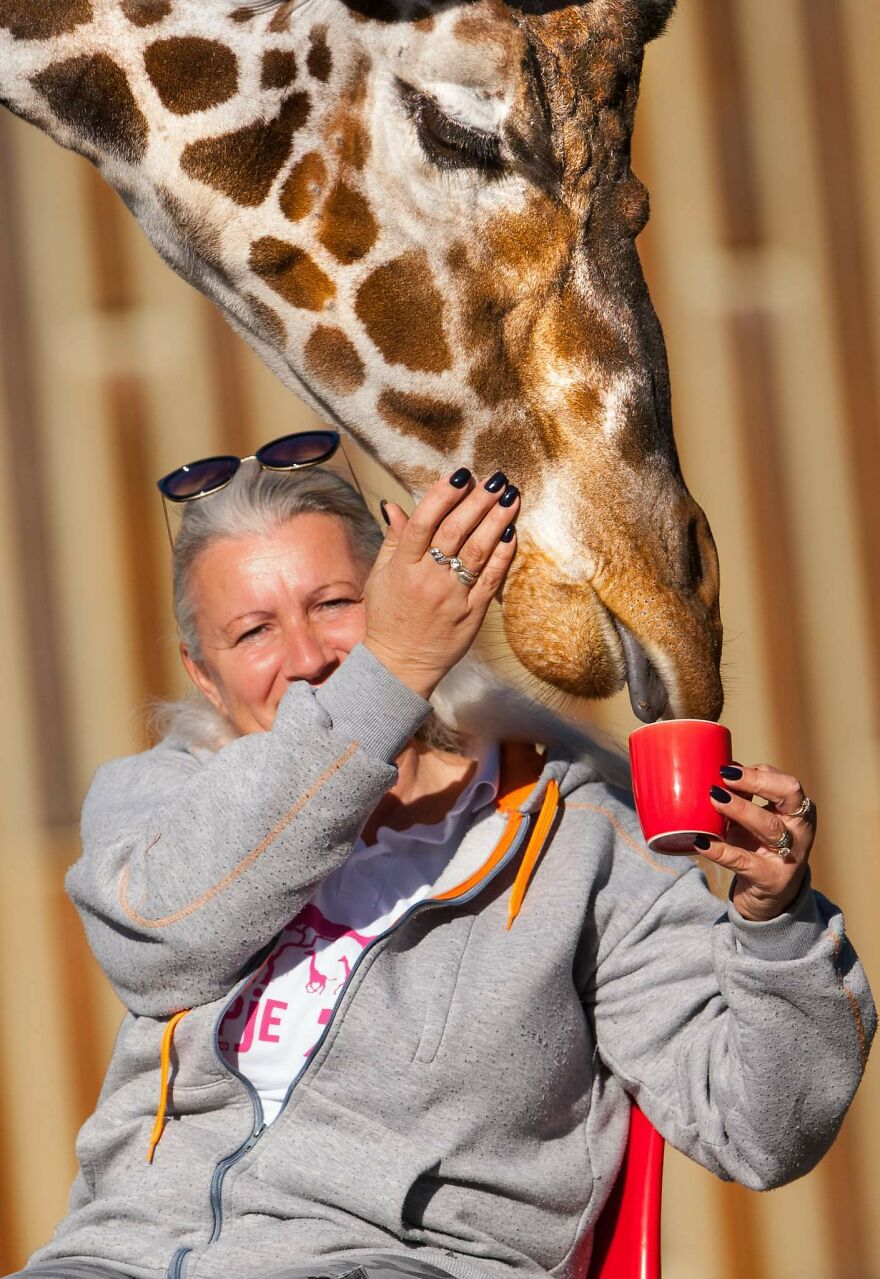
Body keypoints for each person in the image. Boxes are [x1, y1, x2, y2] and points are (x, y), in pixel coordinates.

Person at [13, 433, 874, 1279]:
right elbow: (161, 940)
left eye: (334, 605)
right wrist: (386, 675)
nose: (310, 658)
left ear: (400, 595)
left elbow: (762, 1126)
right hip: (115, 1256)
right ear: (204, 675)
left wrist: (775, 930)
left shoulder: (573, 830)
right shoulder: (161, 799)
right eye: (253, 632)